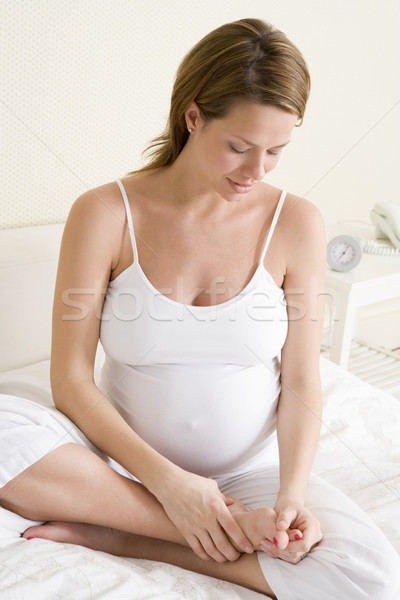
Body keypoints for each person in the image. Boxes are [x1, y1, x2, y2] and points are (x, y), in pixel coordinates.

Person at [0, 17, 399, 599]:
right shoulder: (105, 213)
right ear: (193, 118)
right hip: (120, 470)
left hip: (250, 474)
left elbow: (304, 380)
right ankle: (172, 523)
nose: (255, 172)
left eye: (275, 152)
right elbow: (69, 382)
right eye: (238, 146)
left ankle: (131, 538)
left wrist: (290, 497)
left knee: (371, 578)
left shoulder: (297, 223)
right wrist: (173, 487)